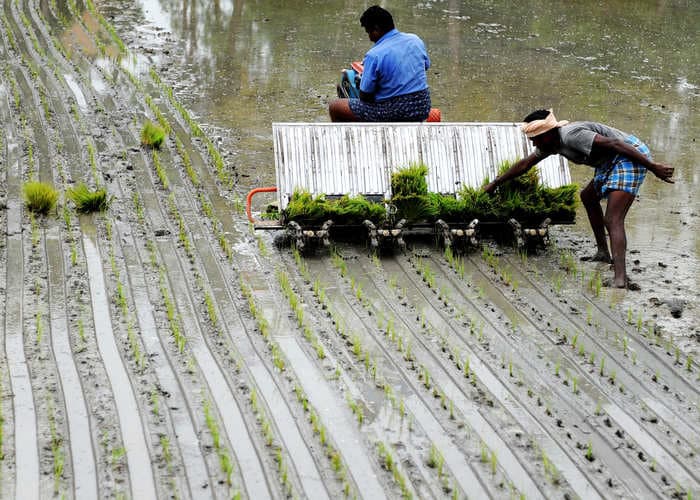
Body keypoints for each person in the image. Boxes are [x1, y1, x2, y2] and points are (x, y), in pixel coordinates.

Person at [483, 109, 674, 289]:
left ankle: (620, 279)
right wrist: (495, 183)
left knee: (613, 219)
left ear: (547, 134)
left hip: (629, 155)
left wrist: (653, 167)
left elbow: (616, 144)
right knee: (588, 197)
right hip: (609, 161)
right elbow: (526, 164)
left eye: (536, 139)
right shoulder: (552, 144)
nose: (534, 144)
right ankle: (602, 252)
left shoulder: (571, 136)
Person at [328, 5, 431, 122]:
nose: (370, 38)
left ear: (376, 29)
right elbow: (425, 66)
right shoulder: (415, 40)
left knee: (335, 106)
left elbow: (365, 96)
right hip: (422, 107)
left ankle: (350, 138)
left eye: (369, 33)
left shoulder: (374, 54)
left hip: (394, 111)